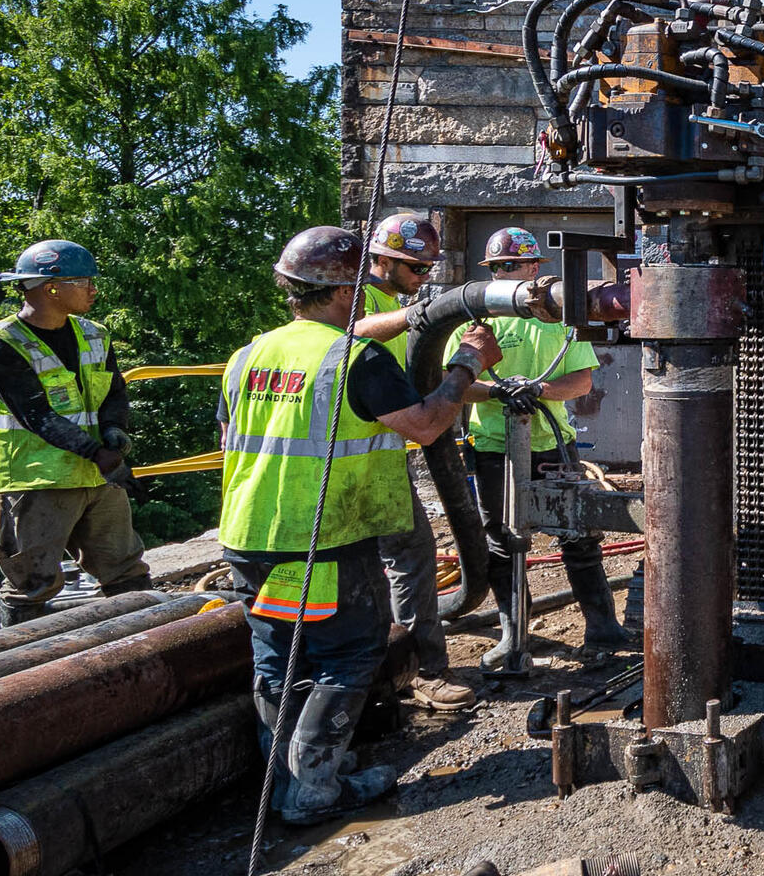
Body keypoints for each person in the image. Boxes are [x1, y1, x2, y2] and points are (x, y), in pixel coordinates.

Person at [217, 224, 500, 824]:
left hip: (247, 532)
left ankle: (281, 783)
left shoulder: (249, 354)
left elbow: (229, 438)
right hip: (323, 534)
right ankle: (313, 791)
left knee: (277, 659)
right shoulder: (353, 358)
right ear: (348, 293)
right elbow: (426, 425)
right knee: (348, 656)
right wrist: (467, 364)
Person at [452, 227, 626, 652]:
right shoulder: (473, 319)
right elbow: (452, 384)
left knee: (577, 533)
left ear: (535, 268)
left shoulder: (555, 319)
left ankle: (603, 629)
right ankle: (516, 635)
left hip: (552, 445)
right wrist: (496, 391)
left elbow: (581, 382)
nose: (508, 274)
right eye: (499, 268)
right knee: (502, 542)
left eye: (517, 265)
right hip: (493, 447)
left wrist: (539, 390)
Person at [0, 240, 150, 628]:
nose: (93, 290)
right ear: (51, 286)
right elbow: (35, 413)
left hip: (96, 476)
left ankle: (141, 650)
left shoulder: (94, 334)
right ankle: (19, 668)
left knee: (126, 572)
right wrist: (98, 452)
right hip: (36, 481)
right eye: (84, 281)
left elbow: (113, 390)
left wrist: (114, 430)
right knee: (31, 584)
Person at [346, 210, 475, 713]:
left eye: (427, 271)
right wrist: (423, 313)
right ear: (382, 259)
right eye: (416, 269)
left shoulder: (386, 301)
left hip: (375, 461)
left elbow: (419, 385)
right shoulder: (359, 296)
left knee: (392, 564)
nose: (422, 279)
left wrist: (487, 385)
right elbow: (352, 332)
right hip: (360, 466)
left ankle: (387, 664)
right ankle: (423, 670)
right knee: (411, 560)